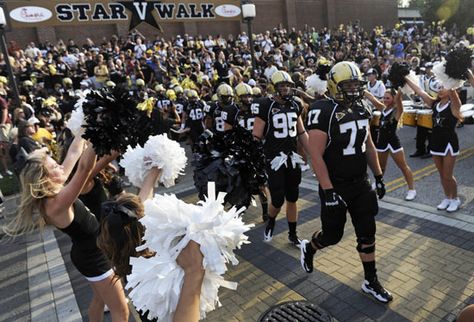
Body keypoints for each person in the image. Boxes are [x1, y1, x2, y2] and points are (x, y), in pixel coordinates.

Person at [3, 136, 130, 322]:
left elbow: (73, 152)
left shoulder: (54, 188)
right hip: (94, 256)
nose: (60, 167)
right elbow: (84, 168)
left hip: (89, 252)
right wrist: (99, 133)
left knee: (100, 300)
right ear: (44, 178)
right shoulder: (55, 202)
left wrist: (85, 126)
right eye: (54, 167)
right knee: (121, 311)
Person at [300, 61, 393, 303]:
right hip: (336, 184)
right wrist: (328, 190)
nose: (353, 89)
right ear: (333, 85)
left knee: (367, 232)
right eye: (347, 85)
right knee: (333, 236)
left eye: (355, 84)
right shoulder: (321, 109)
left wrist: (379, 175)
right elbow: (315, 154)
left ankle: (370, 281)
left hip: (360, 183)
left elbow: (368, 144)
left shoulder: (362, 106)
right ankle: (309, 248)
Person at [97, 167, 205, 322]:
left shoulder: (129, 255)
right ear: (144, 226)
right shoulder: (153, 270)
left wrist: (154, 169)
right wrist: (194, 271)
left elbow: (143, 200)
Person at [252, 70, 310, 246]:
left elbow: (301, 132)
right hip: (274, 159)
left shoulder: (295, 104)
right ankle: (271, 221)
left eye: (288, 85)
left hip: (292, 158)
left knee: (293, 197)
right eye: (282, 86)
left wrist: (311, 152)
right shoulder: (266, 105)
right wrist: (258, 156)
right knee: (277, 199)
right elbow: (256, 134)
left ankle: (292, 234)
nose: (285, 89)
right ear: (274, 87)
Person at [404, 76, 463, 212]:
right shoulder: (434, 104)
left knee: (448, 175)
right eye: (439, 87)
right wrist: (406, 78)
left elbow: (454, 94)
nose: (440, 89)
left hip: (449, 143)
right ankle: (447, 197)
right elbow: (419, 91)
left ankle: (455, 199)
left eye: (444, 87)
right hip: (435, 142)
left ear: (450, 90)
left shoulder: (454, 106)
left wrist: (451, 81)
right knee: (442, 174)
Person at [365, 89, 416, 201]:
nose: (385, 100)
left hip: (393, 143)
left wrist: (401, 89)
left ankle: (412, 189)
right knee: (381, 167)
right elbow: (373, 99)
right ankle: (379, 183)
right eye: (384, 97)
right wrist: (362, 90)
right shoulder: (383, 109)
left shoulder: (397, 111)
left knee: (403, 167)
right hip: (382, 143)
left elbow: (398, 100)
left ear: (393, 99)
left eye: (388, 98)